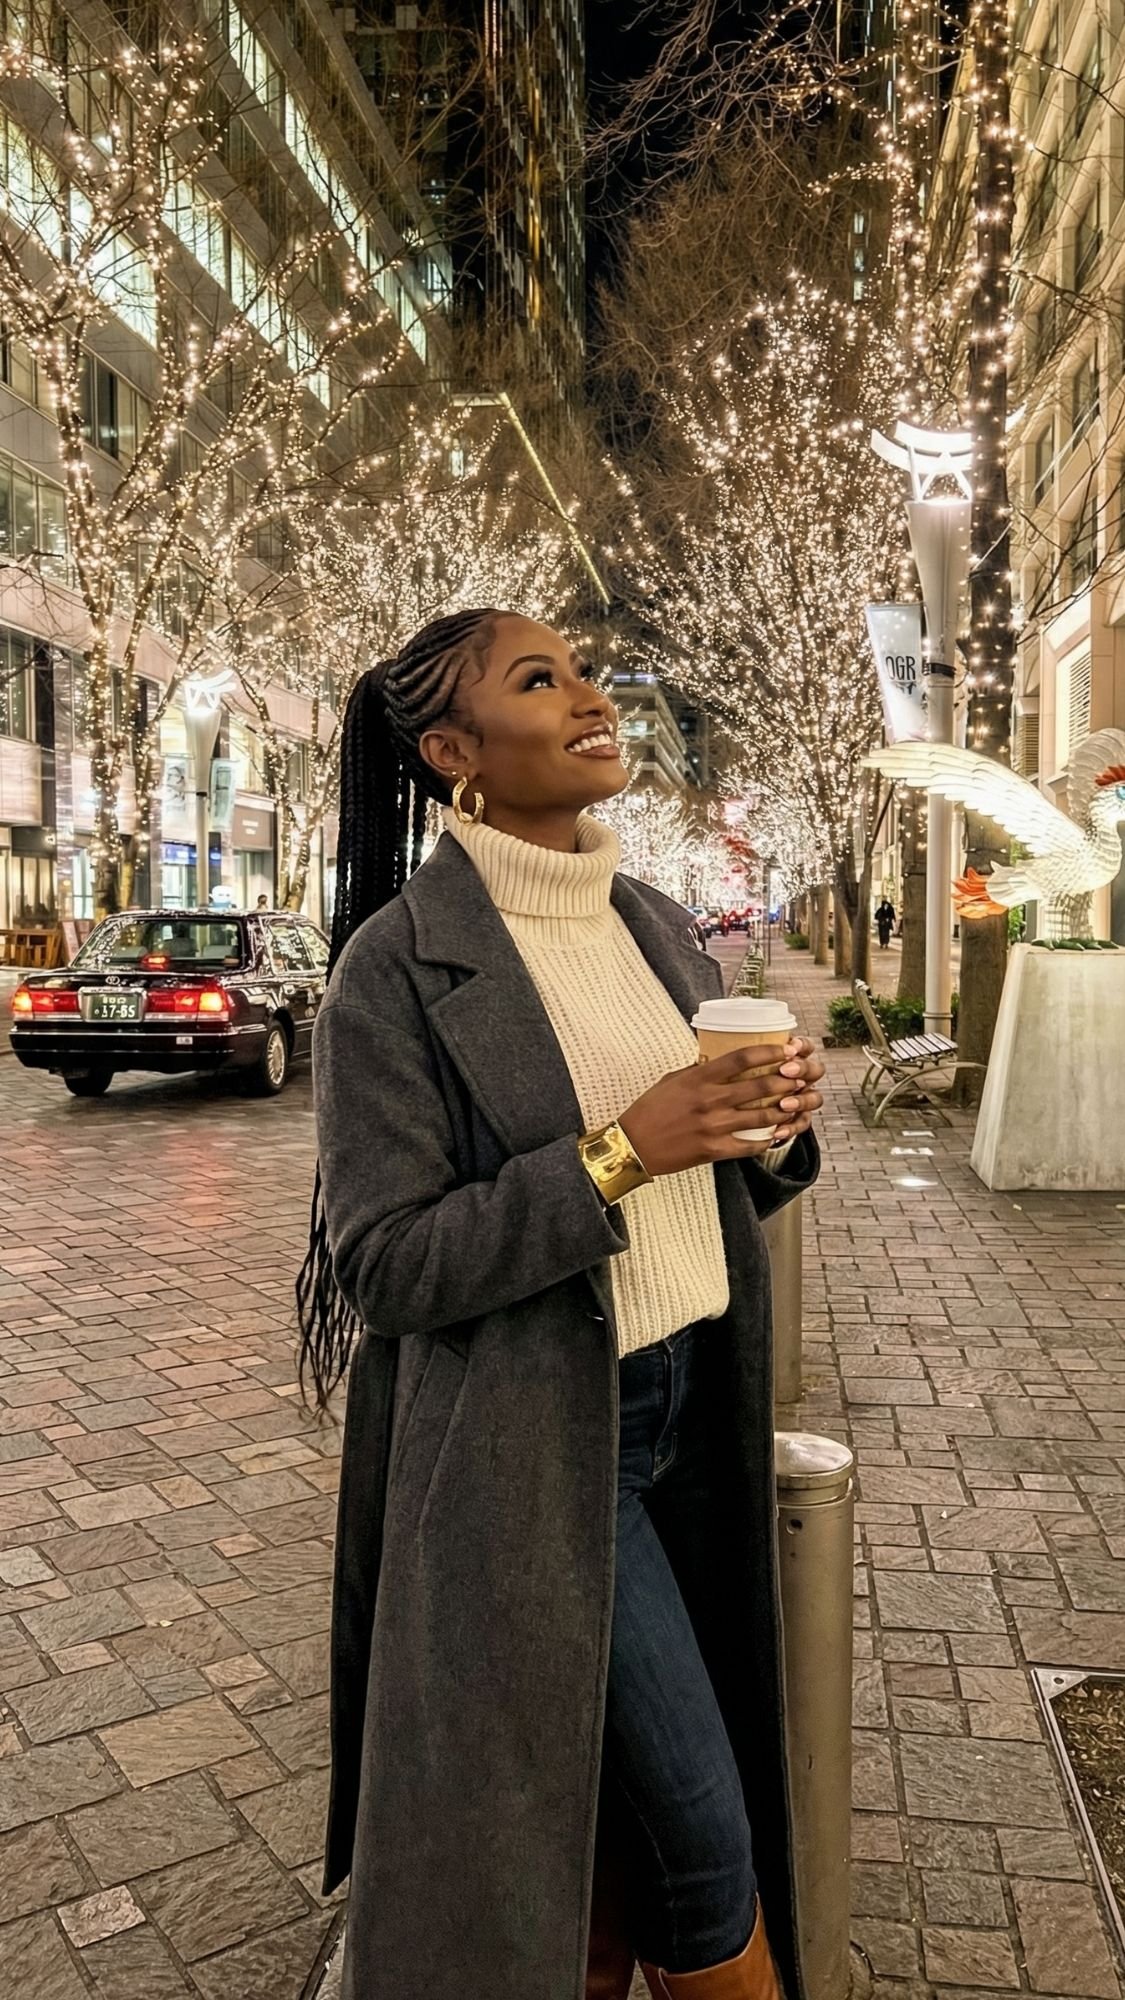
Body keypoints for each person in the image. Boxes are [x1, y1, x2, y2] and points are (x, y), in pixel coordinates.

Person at [298, 609, 825, 2000]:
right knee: (703, 1845)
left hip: (694, 1417)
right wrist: (624, 1146)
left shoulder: (650, 922)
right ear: (452, 753)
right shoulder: (396, 970)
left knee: (607, 1834)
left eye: (586, 672)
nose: (590, 698)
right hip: (537, 1452)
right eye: (542, 681)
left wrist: (760, 1130)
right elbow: (389, 1266)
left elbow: (705, 1178)